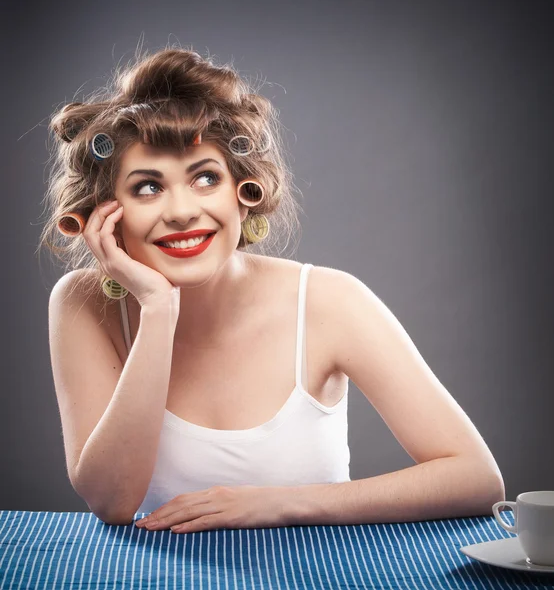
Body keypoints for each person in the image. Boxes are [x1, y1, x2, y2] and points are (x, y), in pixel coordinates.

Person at [42, 46, 505, 533]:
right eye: (148, 187)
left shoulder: (330, 300)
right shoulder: (82, 305)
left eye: (205, 178)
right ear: (105, 211)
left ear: (244, 194)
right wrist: (158, 309)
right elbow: (113, 501)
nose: (180, 211)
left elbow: (476, 477)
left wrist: (282, 503)